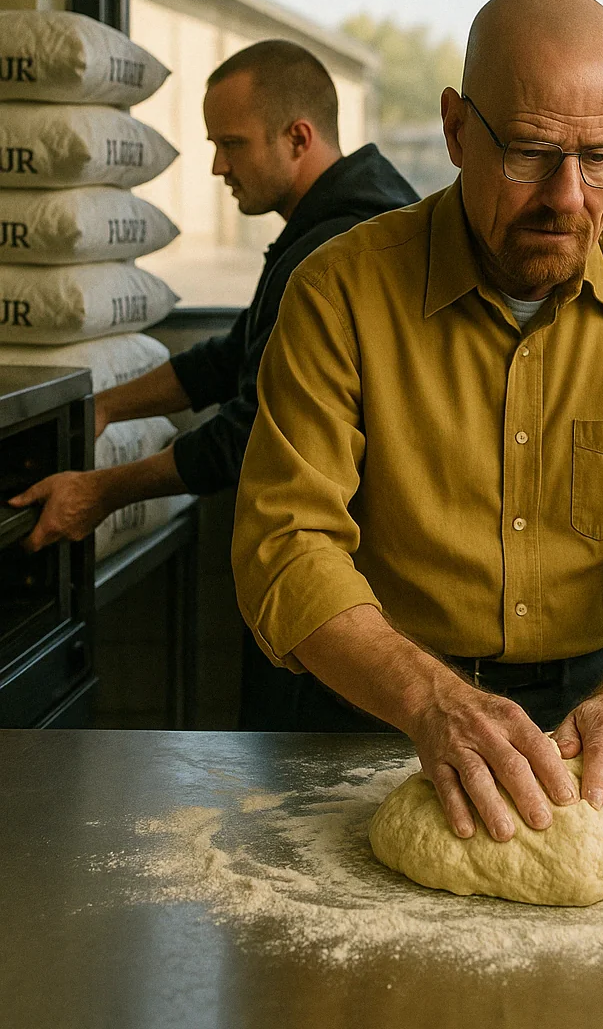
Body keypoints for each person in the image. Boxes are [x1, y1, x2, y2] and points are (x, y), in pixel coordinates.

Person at [233, 0, 603, 844]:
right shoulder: (338, 294)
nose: (568, 196)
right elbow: (285, 541)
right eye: (531, 152)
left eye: (601, 157)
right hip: (379, 705)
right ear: (457, 130)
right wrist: (429, 699)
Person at [14, 39, 418, 724]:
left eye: (231, 143)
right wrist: (105, 404)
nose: (216, 165)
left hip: (347, 572)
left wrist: (100, 491)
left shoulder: (342, 246)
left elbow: (250, 431)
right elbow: (236, 356)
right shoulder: (325, 223)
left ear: (298, 137)